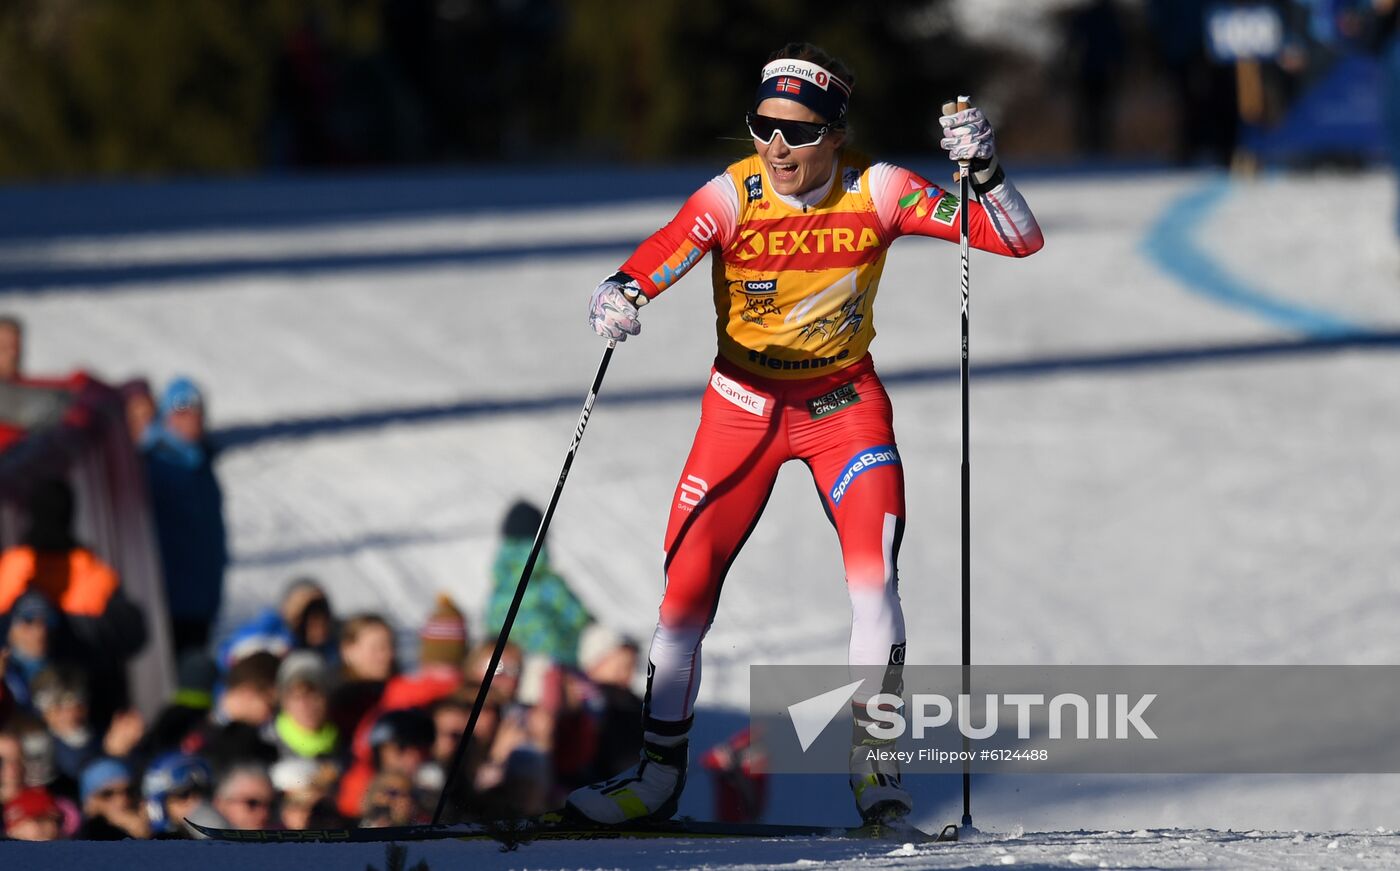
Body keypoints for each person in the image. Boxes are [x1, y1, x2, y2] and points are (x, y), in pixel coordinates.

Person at [569, 43, 1042, 827]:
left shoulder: (878, 187)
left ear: (834, 133)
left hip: (842, 410)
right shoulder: (736, 193)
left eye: (798, 131)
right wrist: (619, 292)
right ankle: (656, 776)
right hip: (741, 412)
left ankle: (875, 768)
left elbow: (1014, 239)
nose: (777, 147)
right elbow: (665, 249)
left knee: (873, 584)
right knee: (682, 600)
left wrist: (985, 168)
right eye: (762, 126)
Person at [142, 376, 228, 656]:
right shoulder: (153, 464)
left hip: (202, 601)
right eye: (182, 411)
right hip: (165, 602)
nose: (193, 419)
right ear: (167, 417)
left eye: (197, 411)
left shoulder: (202, 463)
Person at [487, 500, 593, 667]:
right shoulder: (549, 586)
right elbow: (580, 621)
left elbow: (490, 631)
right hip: (554, 670)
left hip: (510, 672)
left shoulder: (499, 588)